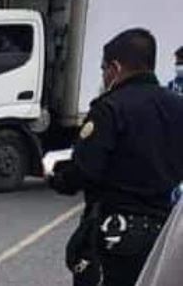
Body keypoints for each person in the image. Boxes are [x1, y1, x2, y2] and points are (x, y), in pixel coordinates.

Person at [50, 29, 183, 286]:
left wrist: (56, 177)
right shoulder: (177, 107)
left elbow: (86, 171)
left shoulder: (109, 108)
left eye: (103, 69)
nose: (103, 76)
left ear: (115, 68)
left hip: (117, 233)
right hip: (167, 233)